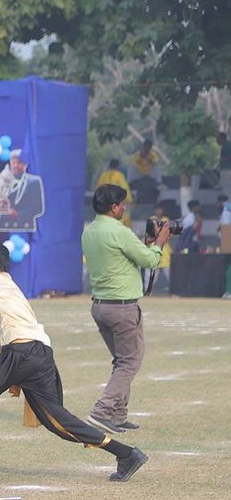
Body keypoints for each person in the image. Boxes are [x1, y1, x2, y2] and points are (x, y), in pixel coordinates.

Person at [0, 240, 147, 482]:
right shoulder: (11, 288)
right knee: (57, 420)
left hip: (19, 352)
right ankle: (126, 453)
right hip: (40, 353)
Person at [81, 184, 167, 432]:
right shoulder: (120, 231)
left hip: (100, 305)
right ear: (113, 207)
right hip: (122, 307)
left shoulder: (89, 231)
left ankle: (118, 415)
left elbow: (119, 258)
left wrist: (145, 243)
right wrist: (159, 242)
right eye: (122, 204)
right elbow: (151, 260)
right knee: (130, 362)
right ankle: (102, 412)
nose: (125, 208)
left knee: (121, 360)